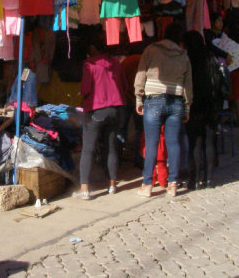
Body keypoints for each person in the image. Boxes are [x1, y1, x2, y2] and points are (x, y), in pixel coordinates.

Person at [134, 23, 192, 198]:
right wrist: (187, 106)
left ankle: (147, 185)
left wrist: (138, 97)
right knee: (173, 143)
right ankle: (173, 184)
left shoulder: (151, 50)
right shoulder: (183, 55)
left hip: (153, 100)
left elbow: (141, 74)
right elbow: (188, 84)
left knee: (151, 143)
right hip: (176, 102)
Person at [72, 34, 127, 200]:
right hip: (114, 110)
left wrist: (81, 93)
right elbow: (124, 85)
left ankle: (84, 189)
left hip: (96, 110)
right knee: (111, 147)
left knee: (88, 149)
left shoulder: (90, 64)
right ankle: (112, 185)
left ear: (93, 48)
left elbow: (86, 88)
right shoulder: (116, 63)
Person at [184, 31, 228, 189]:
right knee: (209, 141)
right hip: (212, 105)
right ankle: (209, 179)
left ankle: (194, 180)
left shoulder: (188, 59)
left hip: (194, 105)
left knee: (195, 142)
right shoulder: (211, 58)